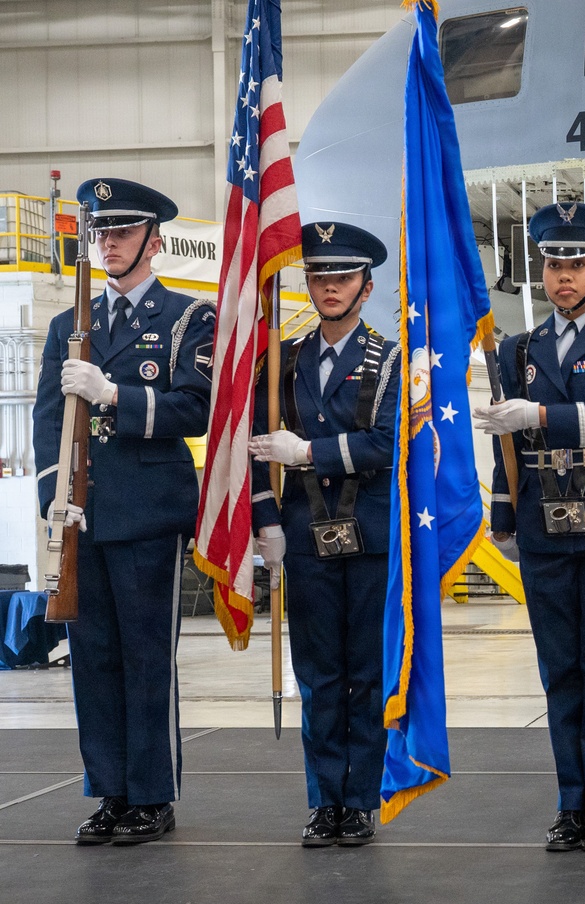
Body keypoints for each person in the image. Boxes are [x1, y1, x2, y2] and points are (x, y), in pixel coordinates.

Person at [33, 178, 216, 844]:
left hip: (148, 512)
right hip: (85, 516)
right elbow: (47, 420)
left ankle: (152, 795)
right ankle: (109, 790)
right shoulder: (67, 327)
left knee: (145, 659)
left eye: (123, 231)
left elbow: (195, 410)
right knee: (93, 659)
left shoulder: (187, 319)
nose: (110, 242)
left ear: (154, 240)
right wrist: (57, 499)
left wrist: (113, 394)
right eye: (102, 232)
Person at [473, 203, 585, 853]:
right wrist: (502, 515)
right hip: (544, 521)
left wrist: (540, 414)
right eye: (554, 264)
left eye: (578, 264)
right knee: (560, 670)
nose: (564, 277)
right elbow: (508, 450)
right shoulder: (515, 350)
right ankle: (570, 802)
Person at [248, 221, 400, 847]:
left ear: (367, 286)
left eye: (343, 275)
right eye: (319, 275)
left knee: (364, 674)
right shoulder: (284, 360)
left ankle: (359, 800)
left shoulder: (390, 359)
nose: (329, 285)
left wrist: (308, 451)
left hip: (368, 537)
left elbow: (385, 444)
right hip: (305, 535)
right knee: (317, 676)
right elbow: (257, 445)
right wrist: (264, 521)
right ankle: (323, 801)